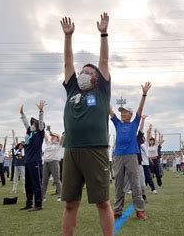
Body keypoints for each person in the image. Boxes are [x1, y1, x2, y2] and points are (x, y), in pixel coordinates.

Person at [60, 14, 114, 236]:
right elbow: (67, 61)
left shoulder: (102, 90)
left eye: (88, 72)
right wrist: (68, 36)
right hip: (71, 150)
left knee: (102, 202)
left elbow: (104, 61)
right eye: (83, 71)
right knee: (70, 203)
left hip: (96, 150)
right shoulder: (72, 89)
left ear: (97, 78)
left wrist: (103, 33)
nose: (83, 74)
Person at [110, 82, 151, 221]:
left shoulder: (134, 123)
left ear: (131, 114)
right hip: (118, 157)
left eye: (125, 111)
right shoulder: (117, 123)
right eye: (121, 112)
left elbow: (140, 108)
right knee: (118, 184)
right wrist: (102, 93)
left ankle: (139, 210)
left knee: (135, 184)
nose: (122, 113)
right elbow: (110, 110)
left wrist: (144, 94)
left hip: (132, 156)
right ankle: (117, 210)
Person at [19, 102, 46, 211]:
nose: (31, 125)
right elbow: (26, 123)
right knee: (28, 184)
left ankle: (38, 204)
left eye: (33, 124)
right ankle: (29, 203)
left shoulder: (39, 133)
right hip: (28, 161)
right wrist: (22, 114)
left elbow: (40, 124)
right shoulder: (29, 134)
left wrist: (41, 112)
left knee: (36, 184)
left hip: (36, 161)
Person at [42, 127, 63, 202]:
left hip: (54, 162)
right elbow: (45, 135)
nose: (52, 137)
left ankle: (60, 195)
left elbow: (61, 137)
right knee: (44, 180)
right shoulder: (48, 143)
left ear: (57, 138)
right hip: (46, 162)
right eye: (52, 137)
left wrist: (52, 132)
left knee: (57, 179)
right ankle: (43, 196)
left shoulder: (58, 144)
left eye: (54, 137)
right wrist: (46, 129)